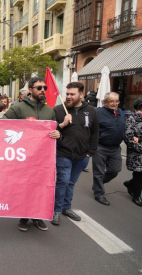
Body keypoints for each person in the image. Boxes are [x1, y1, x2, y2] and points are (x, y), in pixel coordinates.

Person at [4, 77, 60, 232]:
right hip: (23, 157)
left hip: (43, 159)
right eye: (39, 87)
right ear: (30, 90)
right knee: (25, 188)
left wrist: (57, 133)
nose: (42, 90)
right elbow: (2, 124)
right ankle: (23, 217)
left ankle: (37, 217)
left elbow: (55, 129)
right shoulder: (18, 108)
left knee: (41, 188)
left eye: (44, 88)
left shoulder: (50, 111)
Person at [51, 82, 99, 226]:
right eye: (67, 94)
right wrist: (63, 125)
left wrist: (90, 153)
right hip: (63, 153)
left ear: (81, 95)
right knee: (63, 181)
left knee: (71, 183)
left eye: (72, 94)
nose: (69, 97)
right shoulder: (59, 110)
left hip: (82, 155)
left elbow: (95, 132)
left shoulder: (91, 111)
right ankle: (57, 210)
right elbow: (51, 131)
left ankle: (66, 207)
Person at [92, 92, 125, 206]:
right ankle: (99, 194)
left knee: (115, 170)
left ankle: (98, 184)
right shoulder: (98, 113)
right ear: (104, 102)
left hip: (115, 148)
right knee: (99, 172)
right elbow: (91, 128)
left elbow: (122, 127)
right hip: (101, 147)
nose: (115, 104)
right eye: (112, 101)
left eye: (117, 101)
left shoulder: (120, 112)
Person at [123, 98, 142, 207]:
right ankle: (136, 196)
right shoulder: (132, 119)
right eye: (140, 108)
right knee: (139, 174)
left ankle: (130, 184)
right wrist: (138, 144)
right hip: (137, 154)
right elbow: (129, 138)